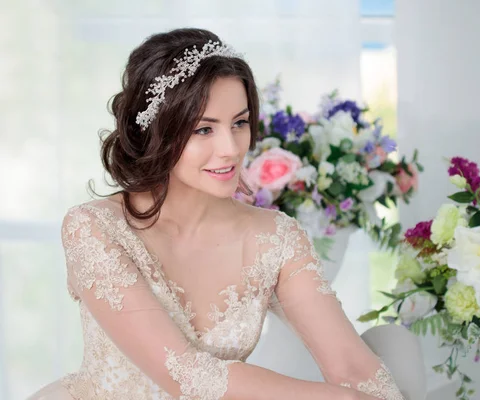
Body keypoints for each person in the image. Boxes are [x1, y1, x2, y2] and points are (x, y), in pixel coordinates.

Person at [28, 28, 405, 400]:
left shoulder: (275, 238)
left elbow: (351, 367)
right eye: (203, 130)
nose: (230, 149)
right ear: (156, 132)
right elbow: (186, 376)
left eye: (239, 123)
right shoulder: (94, 228)